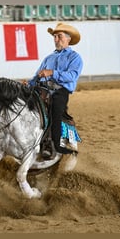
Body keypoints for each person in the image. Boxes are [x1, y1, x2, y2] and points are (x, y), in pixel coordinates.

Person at [28, 22, 83, 155]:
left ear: (68, 39)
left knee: (55, 109)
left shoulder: (75, 57)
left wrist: (52, 72)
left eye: (59, 36)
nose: (56, 39)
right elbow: (37, 76)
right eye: (55, 37)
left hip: (60, 91)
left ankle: (56, 144)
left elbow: (72, 76)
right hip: (42, 89)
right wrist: (28, 84)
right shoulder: (49, 58)